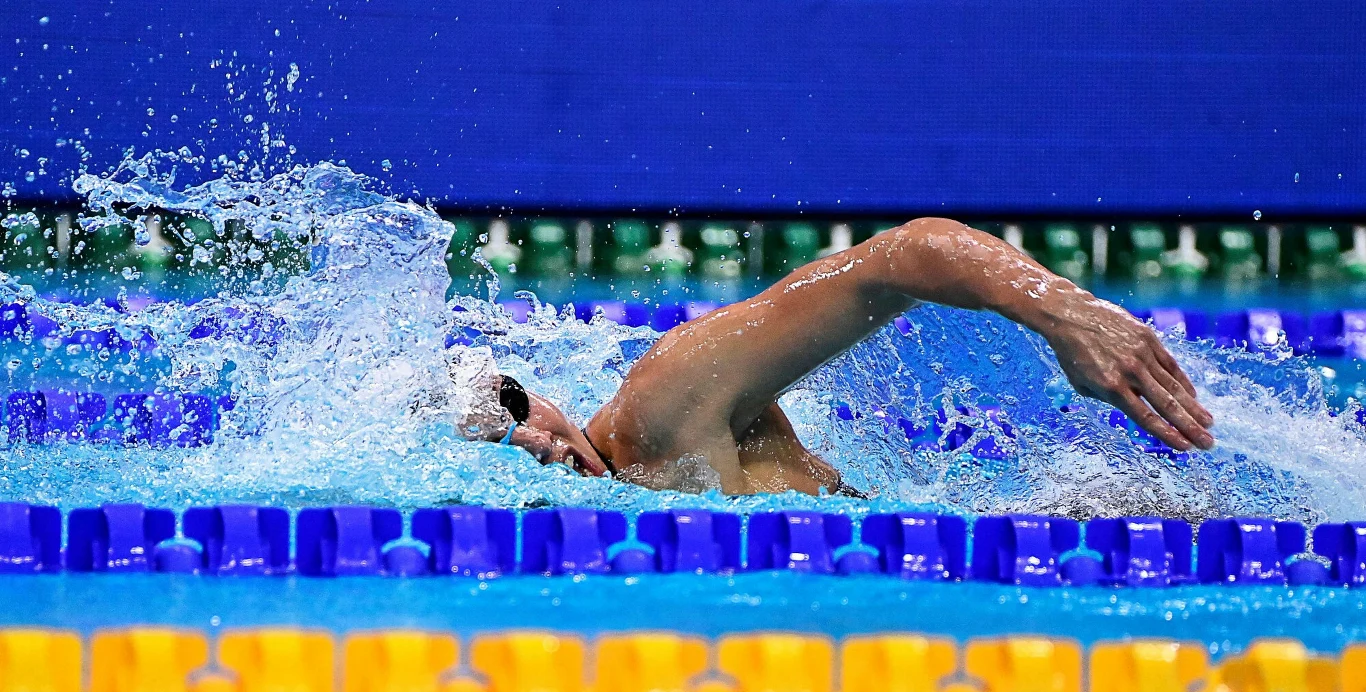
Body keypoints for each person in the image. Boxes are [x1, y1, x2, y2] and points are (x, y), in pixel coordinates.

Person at [481, 218, 1215, 496]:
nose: (536, 443)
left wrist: (1066, 311)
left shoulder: (662, 407)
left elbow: (899, 257)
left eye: (516, 409)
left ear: (534, 390)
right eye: (499, 445)